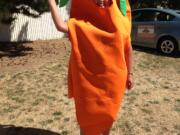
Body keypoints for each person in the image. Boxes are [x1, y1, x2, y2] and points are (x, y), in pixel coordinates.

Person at [48, 0, 134, 135]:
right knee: (88, 122)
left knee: (108, 118)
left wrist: (130, 74)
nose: (101, 4)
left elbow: (128, 49)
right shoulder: (84, 25)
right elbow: (60, 26)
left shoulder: (120, 24)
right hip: (88, 86)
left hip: (112, 83)